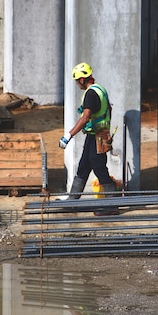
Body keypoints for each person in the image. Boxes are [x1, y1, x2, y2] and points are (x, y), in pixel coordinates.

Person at [59, 62, 118, 214]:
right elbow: (109, 109)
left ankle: (112, 206)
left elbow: (85, 118)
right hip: (97, 134)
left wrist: (68, 135)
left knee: (99, 168)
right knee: (84, 166)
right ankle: (72, 201)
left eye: (77, 81)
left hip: (97, 136)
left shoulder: (91, 94)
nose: (77, 84)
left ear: (82, 80)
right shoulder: (100, 89)